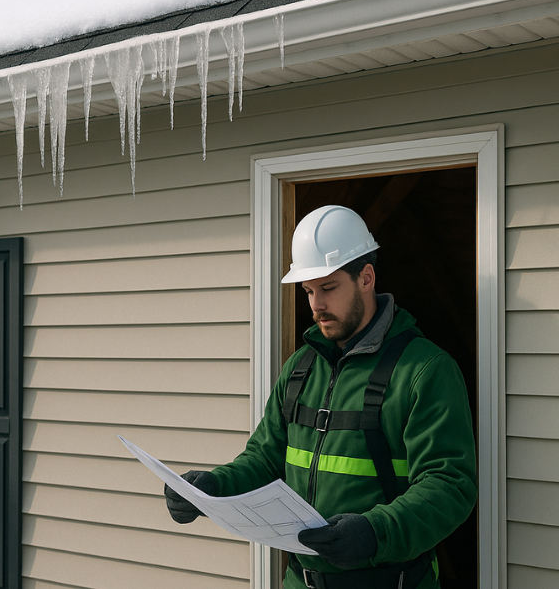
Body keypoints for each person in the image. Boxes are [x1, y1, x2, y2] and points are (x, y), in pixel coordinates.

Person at [164, 205, 477, 589]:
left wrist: (374, 532)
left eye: (328, 288)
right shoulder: (300, 368)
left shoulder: (425, 370)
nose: (316, 305)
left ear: (366, 277)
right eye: (309, 290)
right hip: (302, 581)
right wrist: (213, 488)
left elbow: (450, 485)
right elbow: (264, 459)